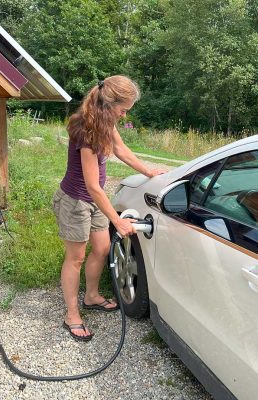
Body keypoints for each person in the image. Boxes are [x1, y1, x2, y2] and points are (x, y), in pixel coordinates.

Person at [53, 75, 167, 341]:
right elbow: (93, 186)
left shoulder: (106, 120)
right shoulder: (87, 127)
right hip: (75, 202)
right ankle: (71, 314)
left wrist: (148, 171)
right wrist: (117, 220)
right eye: (123, 109)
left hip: (93, 201)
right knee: (76, 257)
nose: (125, 114)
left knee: (103, 248)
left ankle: (91, 296)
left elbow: (121, 149)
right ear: (109, 103)